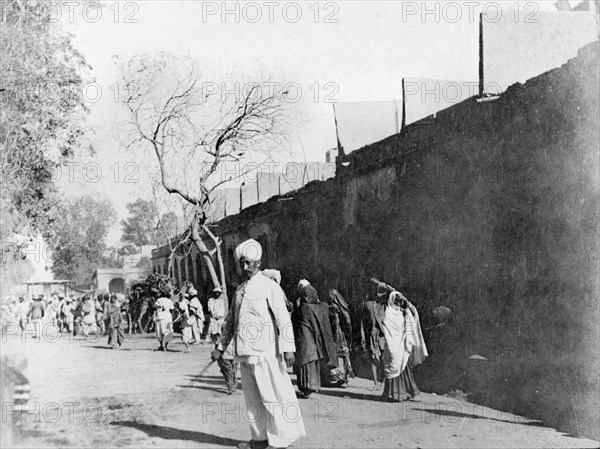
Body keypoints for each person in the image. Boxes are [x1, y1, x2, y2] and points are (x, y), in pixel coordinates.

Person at [212, 239, 305, 449]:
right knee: (252, 400)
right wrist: (219, 347)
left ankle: (279, 440)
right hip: (244, 352)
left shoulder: (269, 286)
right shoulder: (238, 290)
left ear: (258, 263)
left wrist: (288, 348)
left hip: (265, 352)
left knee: (271, 397)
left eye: (249, 263)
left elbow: (283, 318)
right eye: (242, 262)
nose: (245, 267)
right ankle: (259, 438)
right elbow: (230, 323)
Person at [372, 279, 428, 402]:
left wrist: (398, 294)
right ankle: (395, 394)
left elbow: (411, 310)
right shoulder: (391, 314)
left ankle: (402, 393)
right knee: (395, 368)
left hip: (400, 349)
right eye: (396, 301)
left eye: (399, 301)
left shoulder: (401, 313)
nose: (398, 303)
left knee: (399, 368)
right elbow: (389, 332)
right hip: (395, 348)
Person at [292, 280, 337, 399]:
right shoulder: (320, 307)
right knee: (311, 363)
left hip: (304, 340)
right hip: (313, 341)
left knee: (305, 364)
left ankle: (306, 388)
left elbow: (294, 318)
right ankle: (312, 387)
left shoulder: (304, 307)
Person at [324, 289, 355, 388]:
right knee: (339, 356)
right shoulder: (333, 307)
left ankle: (344, 378)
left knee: (342, 355)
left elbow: (347, 322)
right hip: (335, 335)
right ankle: (341, 378)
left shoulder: (338, 308)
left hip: (339, 335)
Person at [361, 283, 386, 391]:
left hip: (382, 335)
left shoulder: (383, 305)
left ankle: (384, 382)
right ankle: (376, 383)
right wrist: (363, 334)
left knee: (384, 358)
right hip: (371, 335)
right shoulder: (367, 304)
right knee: (373, 358)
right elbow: (363, 321)